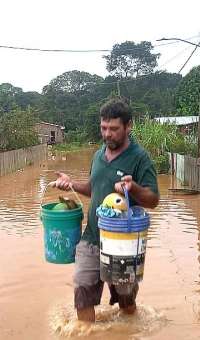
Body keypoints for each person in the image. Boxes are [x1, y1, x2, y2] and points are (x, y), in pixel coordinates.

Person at [53, 98, 159, 322]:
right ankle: (87, 334)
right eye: (103, 128)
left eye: (114, 129)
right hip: (91, 237)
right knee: (82, 290)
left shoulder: (140, 158)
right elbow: (94, 188)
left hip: (123, 243)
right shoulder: (99, 155)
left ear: (128, 126)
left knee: (126, 302)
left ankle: (127, 331)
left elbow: (153, 200)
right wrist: (71, 183)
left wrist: (134, 188)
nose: (107, 134)